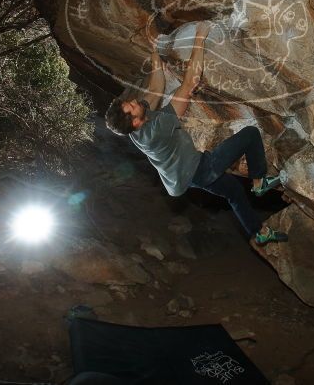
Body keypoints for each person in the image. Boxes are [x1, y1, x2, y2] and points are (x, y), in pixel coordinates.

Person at [105, 23, 288, 246]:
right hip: (199, 169)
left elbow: (155, 88)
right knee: (250, 134)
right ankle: (259, 182)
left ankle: (258, 232)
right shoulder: (156, 130)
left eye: (130, 102)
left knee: (234, 193)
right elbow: (189, 84)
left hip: (186, 178)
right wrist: (200, 38)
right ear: (135, 121)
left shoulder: (137, 127)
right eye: (131, 107)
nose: (134, 101)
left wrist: (155, 51)